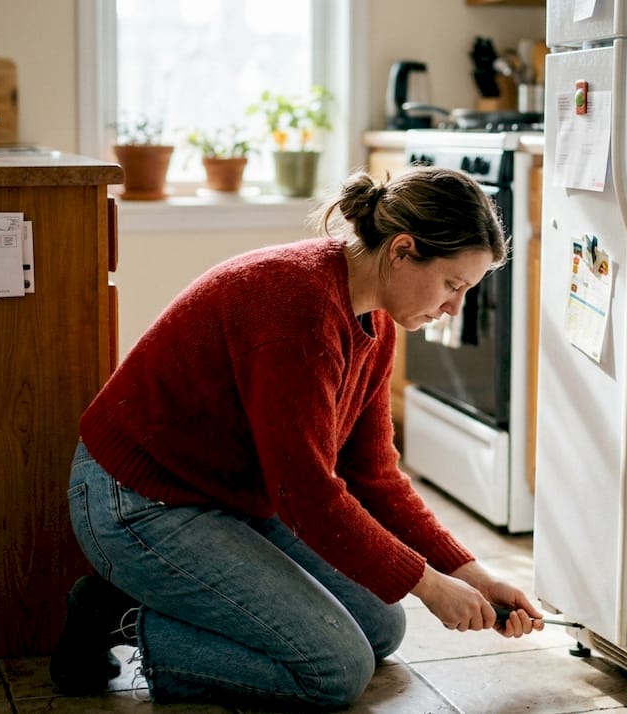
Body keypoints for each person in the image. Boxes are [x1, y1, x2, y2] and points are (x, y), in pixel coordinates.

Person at [49, 166, 545, 709]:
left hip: (227, 497)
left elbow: (374, 476)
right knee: (333, 670)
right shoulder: (296, 307)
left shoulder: (375, 321)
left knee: (382, 626)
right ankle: (117, 616)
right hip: (139, 501)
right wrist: (429, 584)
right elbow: (309, 498)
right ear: (402, 250)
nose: (454, 308)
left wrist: (467, 572)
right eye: (453, 285)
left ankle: (178, 602)